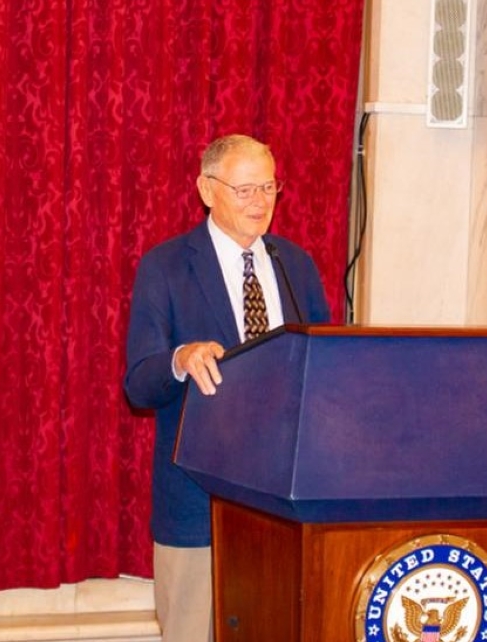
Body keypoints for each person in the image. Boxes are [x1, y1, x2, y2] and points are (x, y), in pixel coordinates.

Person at [123, 134, 332, 642]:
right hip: (197, 502)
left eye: (269, 187)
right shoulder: (167, 266)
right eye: (244, 190)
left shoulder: (295, 264)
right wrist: (180, 359)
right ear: (206, 189)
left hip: (284, 504)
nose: (260, 202)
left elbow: (325, 368)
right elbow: (139, 383)